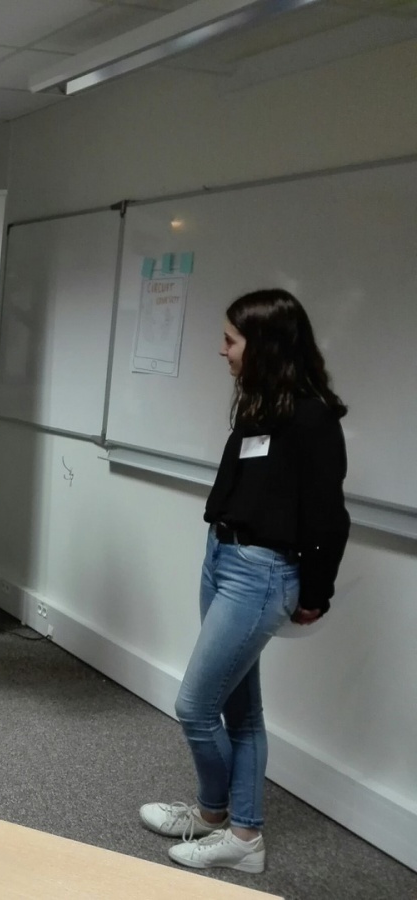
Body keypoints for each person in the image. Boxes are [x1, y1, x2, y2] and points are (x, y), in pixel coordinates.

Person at [138, 289, 349, 874]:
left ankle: (240, 832)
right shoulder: (262, 405)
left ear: (266, 345)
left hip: (261, 575)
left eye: (231, 340)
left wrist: (316, 592)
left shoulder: (312, 419)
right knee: (241, 710)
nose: (222, 350)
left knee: (193, 707)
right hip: (224, 560)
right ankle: (224, 822)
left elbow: (329, 517)